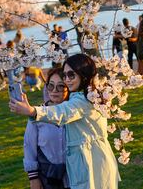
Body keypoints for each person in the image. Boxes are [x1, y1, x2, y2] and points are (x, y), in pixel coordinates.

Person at [9, 54, 120, 189]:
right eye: (65, 75)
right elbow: (29, 145)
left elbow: (62, 113)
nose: (67, 79)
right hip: (88, 162)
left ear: (83, 74)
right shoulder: (88, 95)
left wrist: (33, 111)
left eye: (71, 75)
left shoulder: (83, 100)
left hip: (91, 162)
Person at [24, 68, 70, 189]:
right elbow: (29, 147)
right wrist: (33, 178)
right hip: (48, 177)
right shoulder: (37, 114)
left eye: (60, 86)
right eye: (51, 86)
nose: (54, 91)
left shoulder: (75, 112)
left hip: (75, 176)